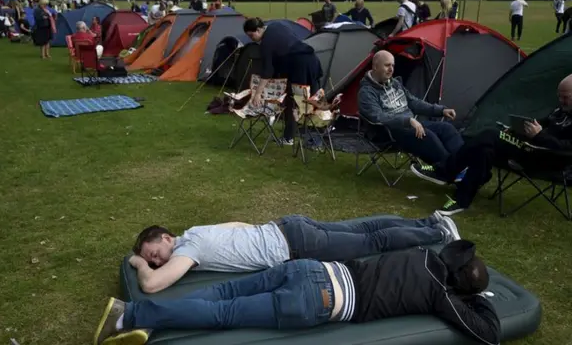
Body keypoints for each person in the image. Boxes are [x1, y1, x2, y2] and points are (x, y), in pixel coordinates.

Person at [93, 239, 500, 345]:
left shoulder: (423, 255)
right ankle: (132, 316)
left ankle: (135, 313)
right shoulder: (441, 295)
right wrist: (473, 299)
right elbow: (488, 333)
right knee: (223, 316)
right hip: (319, 301)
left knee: (224, 294)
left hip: (309, 268)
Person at [127, 211, 459, 294]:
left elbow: (152, 285)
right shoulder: (195, 232)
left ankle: (437, 231)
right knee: (363, 231)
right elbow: (236, 225)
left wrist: (139, 264)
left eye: (153, 252)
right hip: (287, 227)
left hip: (296, 244)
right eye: (151, 258)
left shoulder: (189, 248)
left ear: (167, 238)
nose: (154, 261)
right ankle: (427, 221)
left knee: (372, 242)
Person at [412, 74, 572, 215]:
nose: (561, 101)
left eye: (566, 97)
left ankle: (445, 171)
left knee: (490, 135)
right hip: (531, 148)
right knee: (484, 150)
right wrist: (521, 128)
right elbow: (542, 123)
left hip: (547, 161)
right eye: (560, 96)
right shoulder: (561, 111)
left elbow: (565, 149)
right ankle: (461, 201)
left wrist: (540, 136)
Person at [358, 50, 465, 183]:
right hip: (389, 132)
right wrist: (407, 121)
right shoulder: (366, 92)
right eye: (387, 65)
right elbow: (378, 117)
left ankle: (464, 166)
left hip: (411, 124)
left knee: (446, 128)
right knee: (428, 136)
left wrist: (440, 110)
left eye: (392, 65)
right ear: (375, 66)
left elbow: (413, 102)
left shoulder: (395, 83)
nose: (391, 69)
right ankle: (450, 171)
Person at [243, 17, 324, 146]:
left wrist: (258, 93)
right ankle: (318, 138)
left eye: (251, 35)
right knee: (314, 101)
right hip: (312, 60)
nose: (251, 38)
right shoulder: (277, 25)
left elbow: (267, 71)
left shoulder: (265, 44)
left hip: (299, 67)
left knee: (293, 103)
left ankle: (289, 138)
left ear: (258, 30)